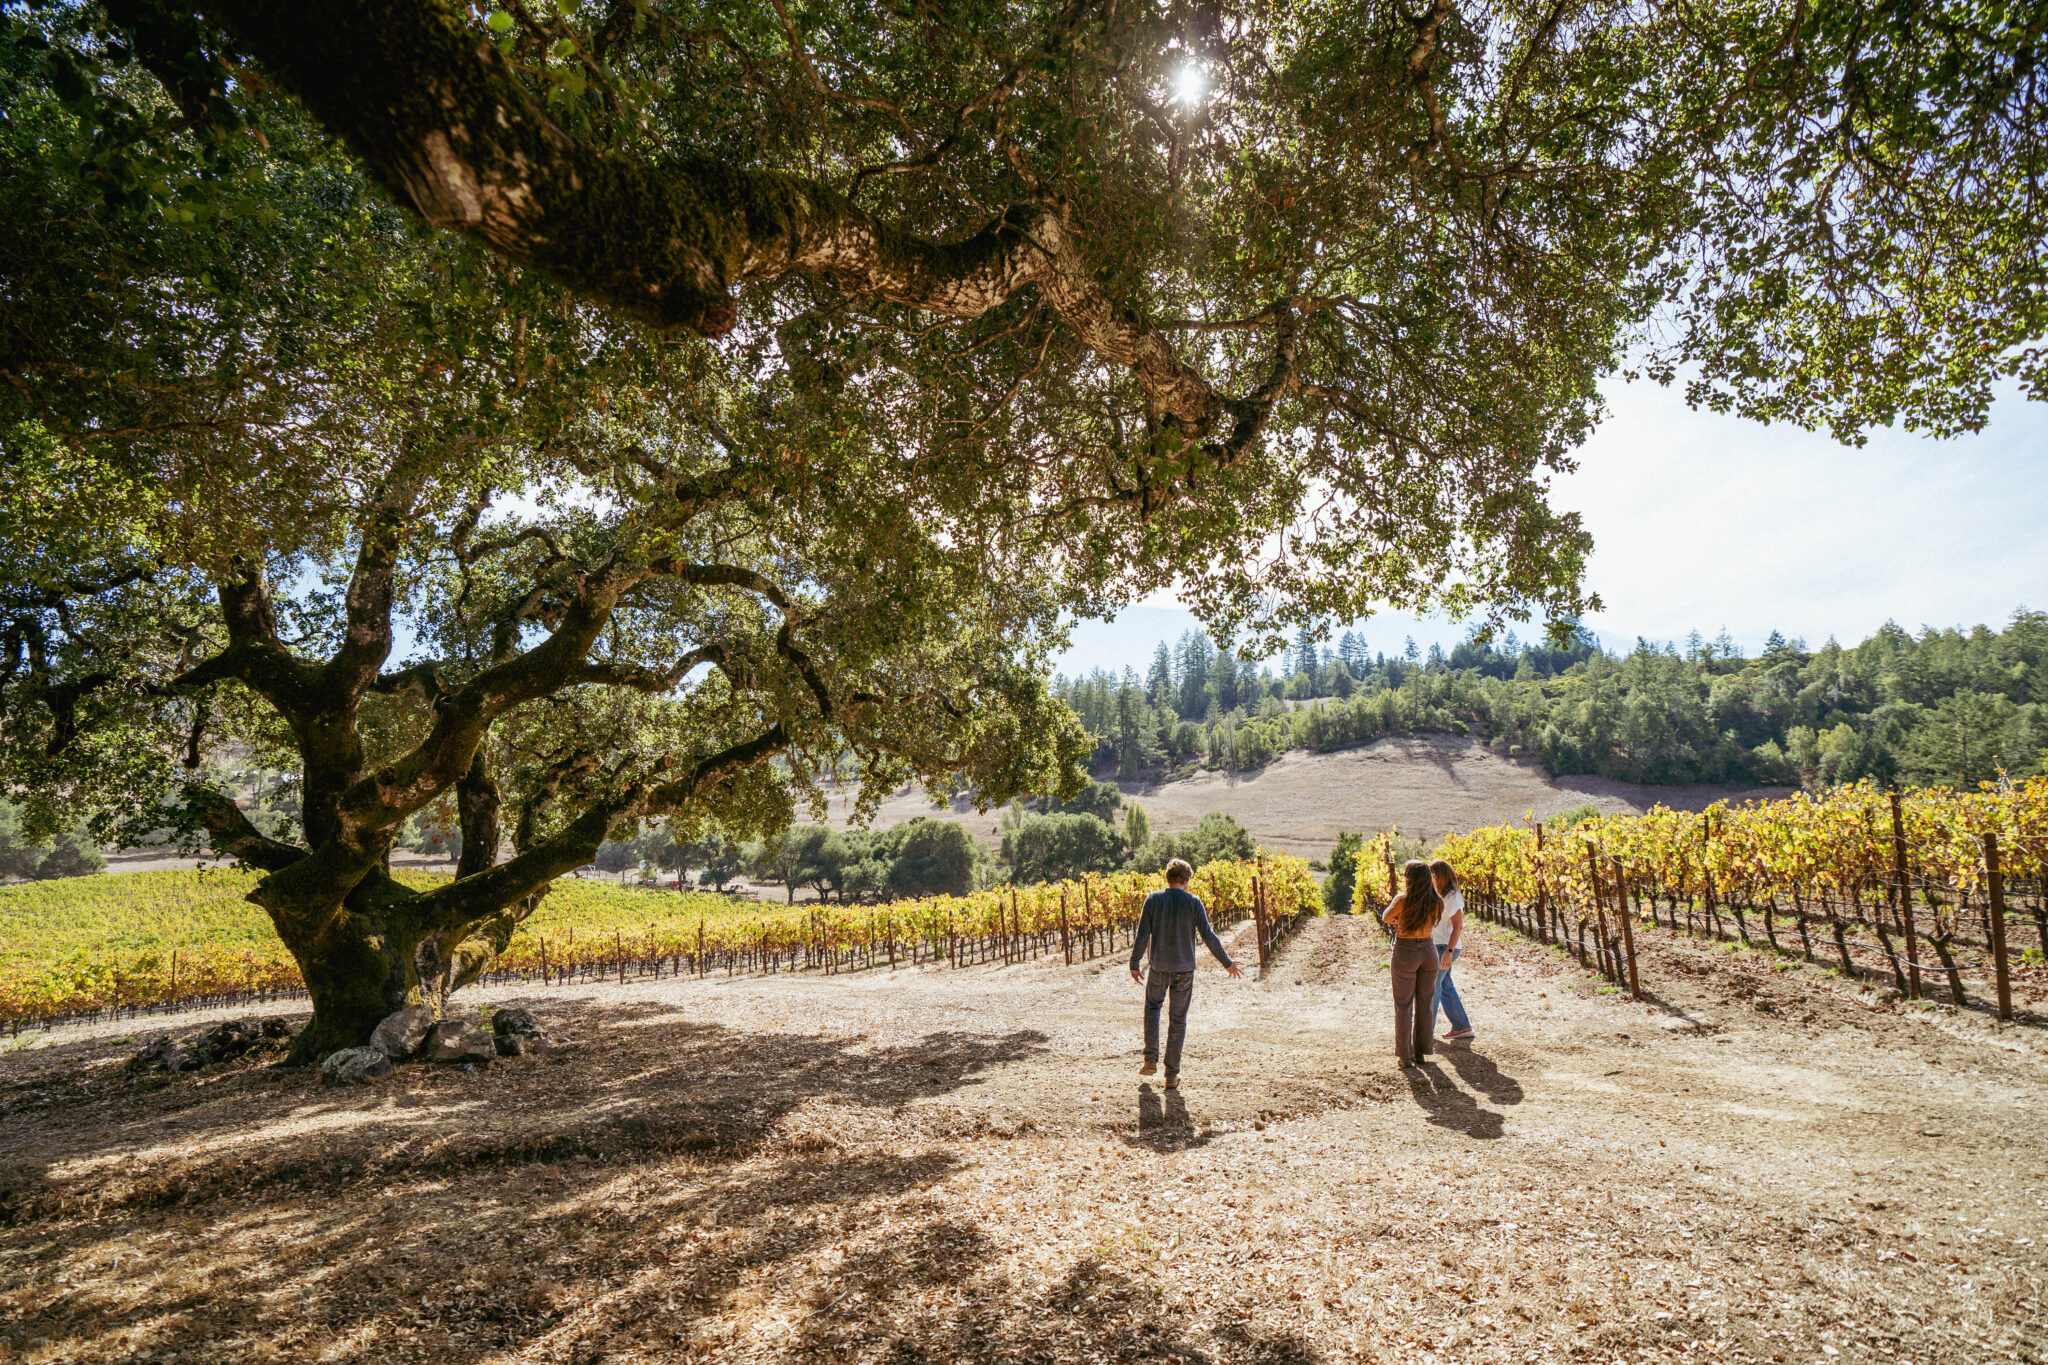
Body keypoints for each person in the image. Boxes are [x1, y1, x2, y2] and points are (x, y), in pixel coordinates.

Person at [1128, 857, 1243, 1088]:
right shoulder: (1193, 902)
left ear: (1168, 877)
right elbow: (1209, 936)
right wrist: (1227, 963)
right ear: (1186, 879)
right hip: (1184, 970)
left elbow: (1142, 934)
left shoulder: (1153, 899)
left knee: (1152, 1008)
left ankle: (1150, 1059)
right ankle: (1171, 1075)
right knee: (1178, 1020)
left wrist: (1134, 962)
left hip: (1159, 967)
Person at [1380, 859, 1443, 1067]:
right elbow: (1433, 920)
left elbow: (1386, 917)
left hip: (1406, 951)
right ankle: (1421, 1052)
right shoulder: (1436, 901)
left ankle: (1405, 1057)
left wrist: (1401, 920)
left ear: (1409, 879)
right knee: (1425, 1004)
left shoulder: (1402, 900)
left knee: (1403, 1004)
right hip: (1428, 950)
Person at [1429, 859, 1473, 1042]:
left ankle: (1425, 1033)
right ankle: (1462, 1026)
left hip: (1444, 947)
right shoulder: (1440, 895)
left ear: (1441, 876)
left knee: (1433, 987)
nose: (1430, 879)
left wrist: (1449, 951)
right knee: (1445, 985)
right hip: (1439, 946)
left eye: (1432, 876)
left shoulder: (1452, 896)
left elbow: (1458, 926)